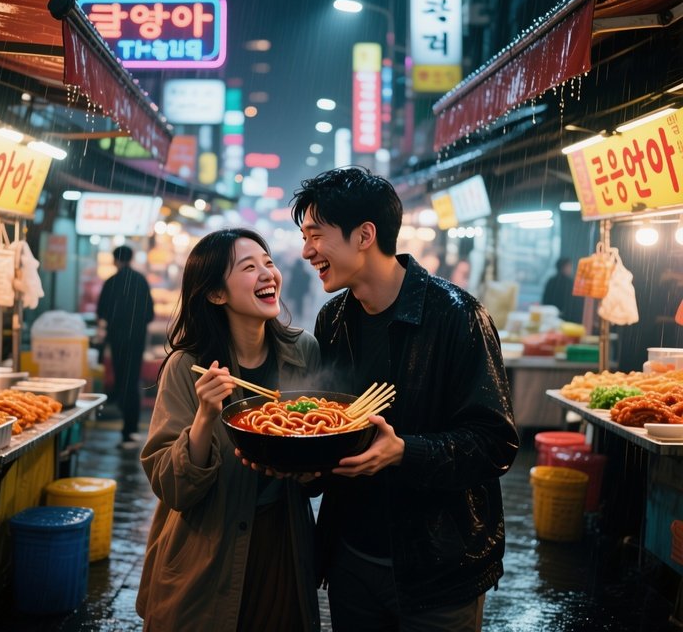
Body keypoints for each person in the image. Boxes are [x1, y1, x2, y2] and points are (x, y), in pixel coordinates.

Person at [291, 167, 519, 632]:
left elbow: (495, 442)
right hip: (350, 558)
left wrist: (404, 452)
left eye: (316, 235)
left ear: (364, 235)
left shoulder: (457, 316)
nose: (306, 251)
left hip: (438, 567)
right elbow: (329, 426)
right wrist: (298, 459)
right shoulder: (332, 319)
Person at [136, 228, 321, 631]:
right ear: (217, 294)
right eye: (249, 267)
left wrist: (310, 468)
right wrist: (205, 415)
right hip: (206, 546)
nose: (268, 274)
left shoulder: (303, 351)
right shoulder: (189, 366)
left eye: (269, 262)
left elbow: (316, 456)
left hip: (282, 544)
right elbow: (172, 487)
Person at [96, 245, 155, 449]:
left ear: (115, 260)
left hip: (117, 341)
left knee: (123, 381)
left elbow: (102, 312)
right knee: (132, 382)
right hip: (136, 341)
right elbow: (149, 314)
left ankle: (127, 430)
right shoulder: (140, 281)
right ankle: (131, 430)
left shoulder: (111, 282)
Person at [542, 256, 583, 322]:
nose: (571, 269)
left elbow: (544, 300)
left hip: (549, 317)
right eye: (569, 266)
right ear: (563, 267)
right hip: (565, 318)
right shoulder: (570, 282)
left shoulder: (551, 280)